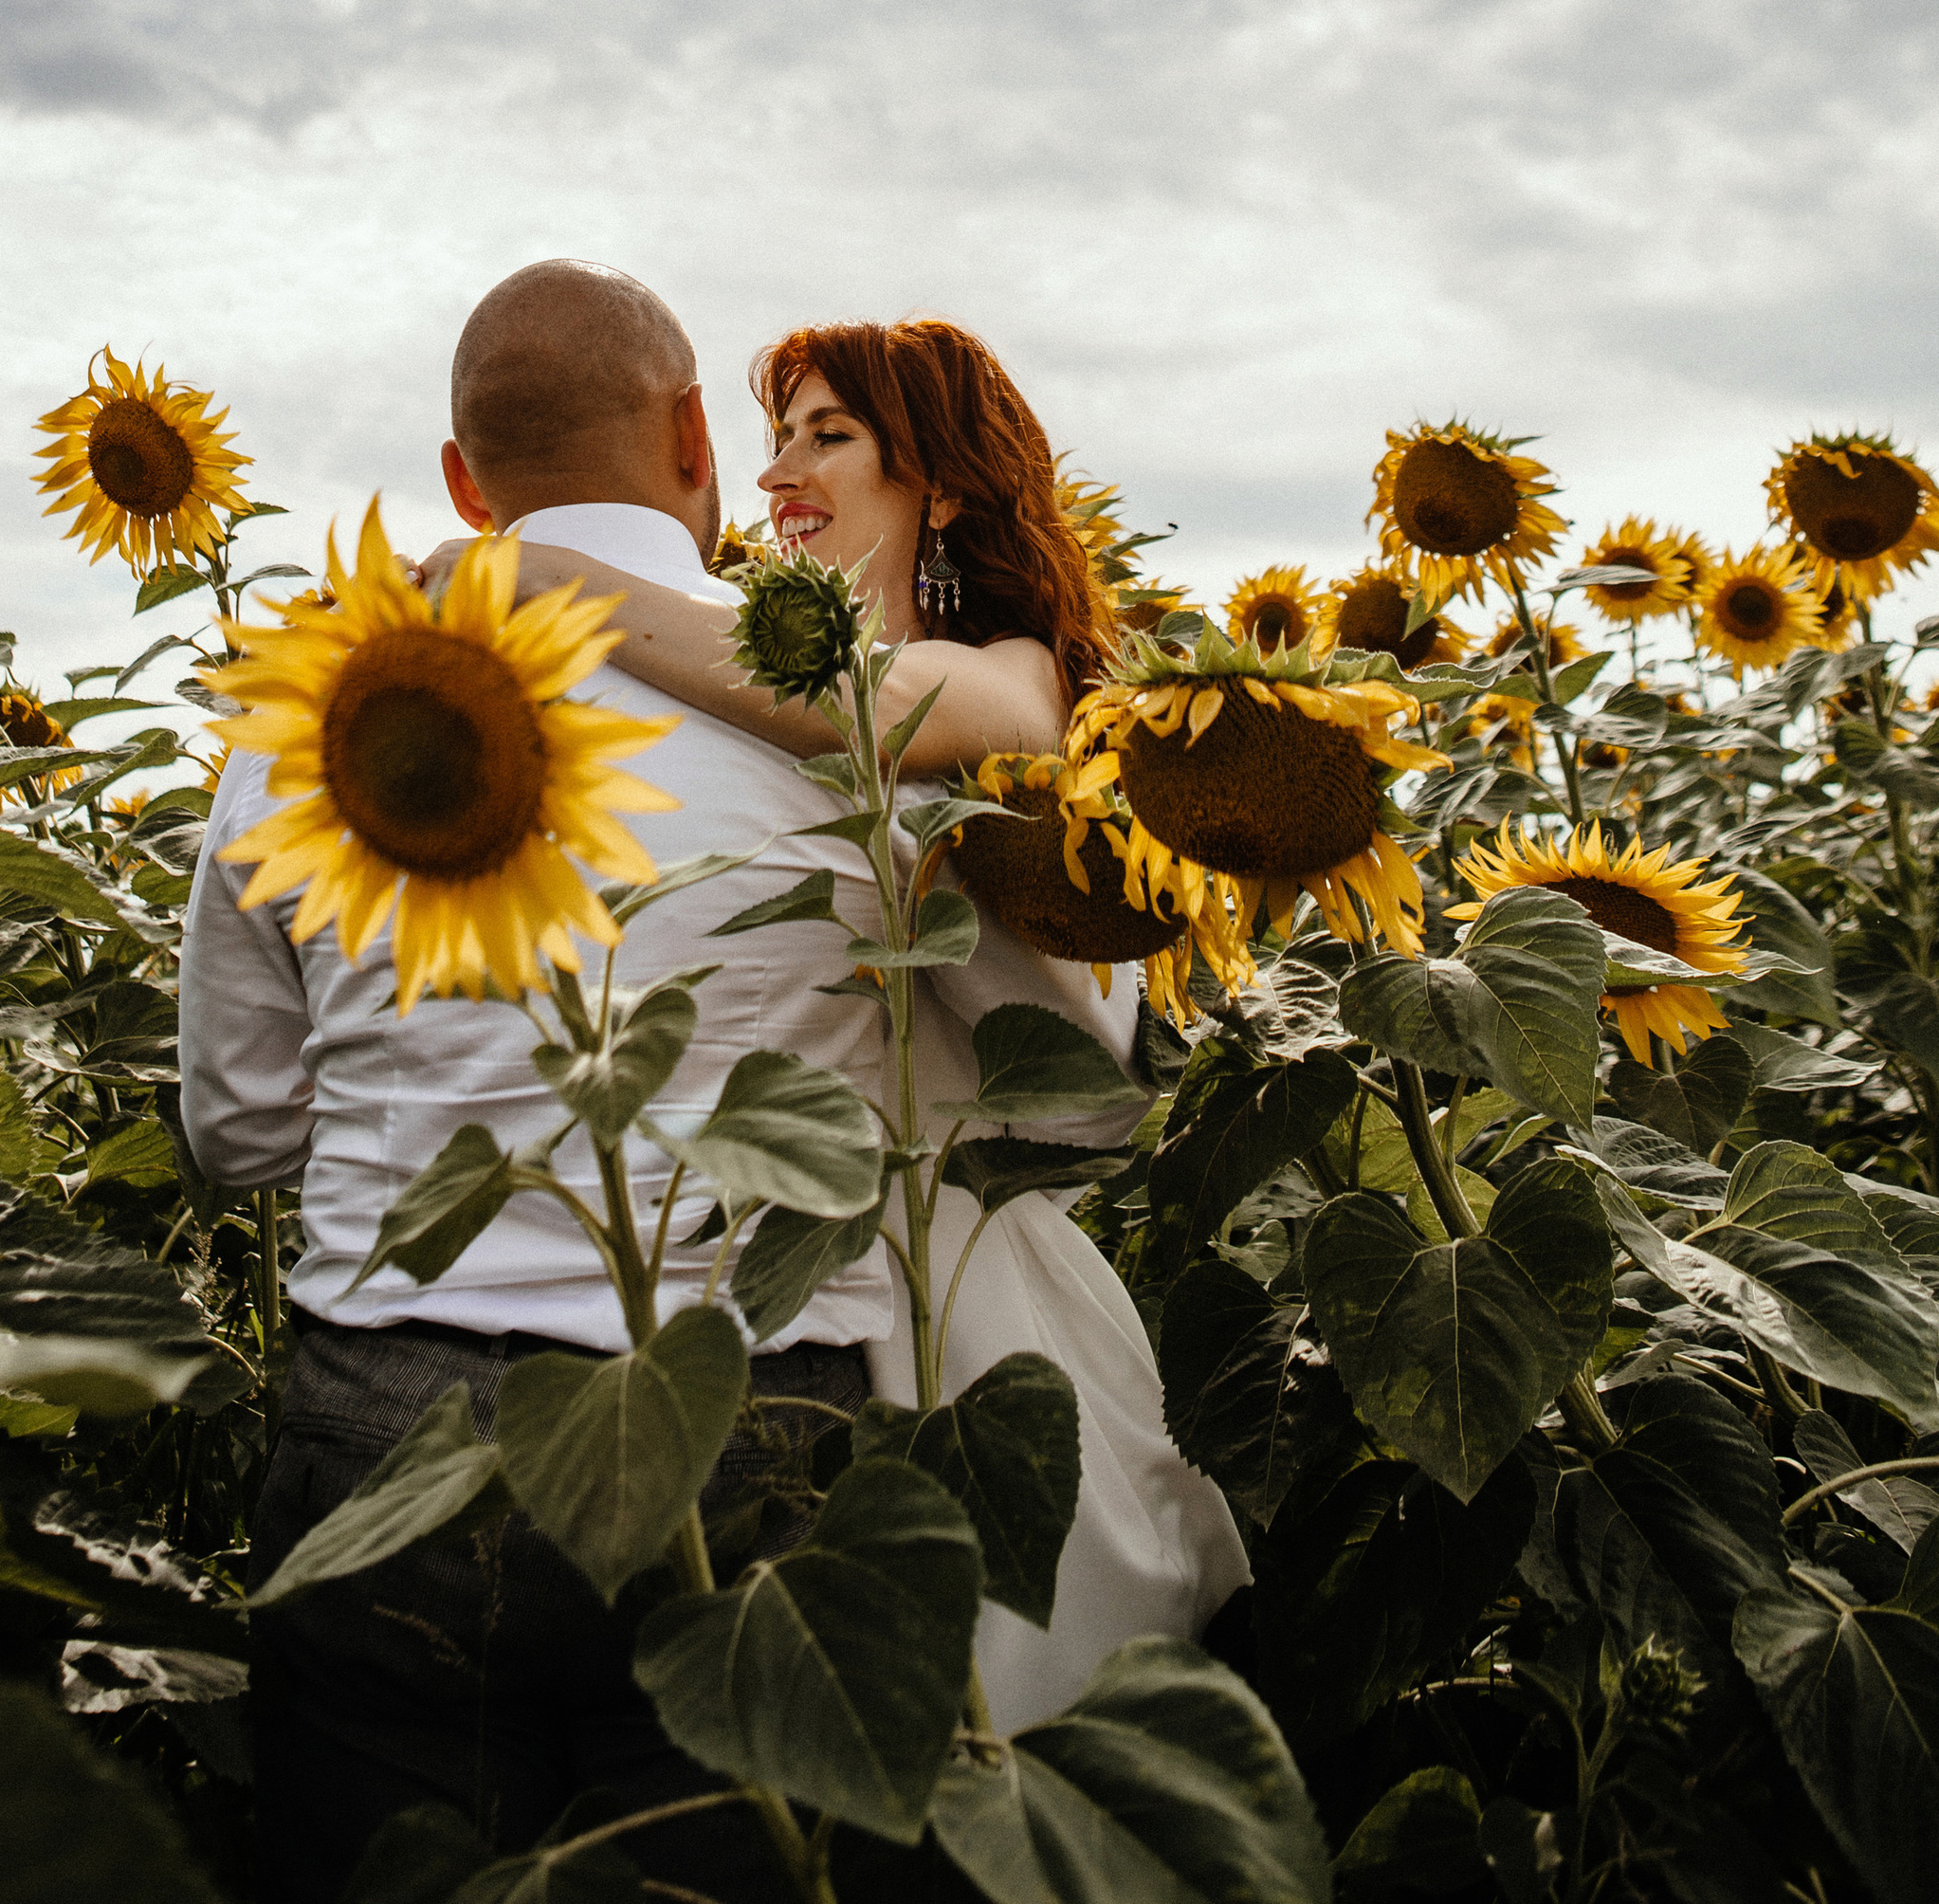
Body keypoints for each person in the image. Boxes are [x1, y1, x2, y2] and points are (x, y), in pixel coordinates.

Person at [179, 264, 1071, 1904]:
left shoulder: (310, 713)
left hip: (390, 1414)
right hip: (759, 1411)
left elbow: (234, 1129)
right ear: (693, 438)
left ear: (464, 482)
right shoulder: (859, 716)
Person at [466, 314, 1248, 1726]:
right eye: (775, 439)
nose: (778, 474)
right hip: (770, 1249)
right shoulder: (726, 673)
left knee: (982, 1683)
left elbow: (872, 710)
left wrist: (546, 572)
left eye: (828, 436)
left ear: (937, 483)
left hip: (955, 1258)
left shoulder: (1013, 673)